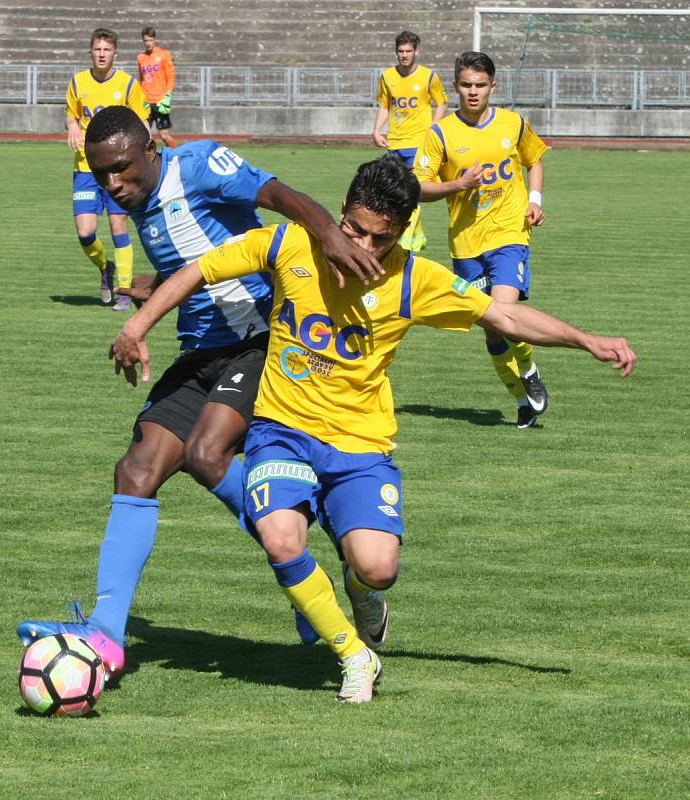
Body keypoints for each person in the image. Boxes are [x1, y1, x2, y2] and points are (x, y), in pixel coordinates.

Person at [107, 155, 635, 703]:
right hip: (281, 429)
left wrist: (588, 341)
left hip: (359, 442)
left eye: (376, 238)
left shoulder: (414, 279)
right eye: (352, 229)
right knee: (280, 537)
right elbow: (201, 269)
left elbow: (505, 317)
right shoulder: (292, 245)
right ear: (340, 211)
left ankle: (360, 593)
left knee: (379, 567)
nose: (358, 246)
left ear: (401, 232)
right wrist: (137, 323)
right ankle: (354, 656)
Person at [17, 106, 386, 677]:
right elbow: (199, 257)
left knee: (206, 452)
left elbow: (279, 195)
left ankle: (302, 559)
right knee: (136, 469)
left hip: (264, 341)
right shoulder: (136, 198)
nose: (113, 184)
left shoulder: (199, 165)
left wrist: (331, 237)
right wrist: (156, 286)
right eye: (100, 174)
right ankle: (107, 637)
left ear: (149, 150)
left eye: (121, 169)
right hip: (201, 352)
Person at [414, 50, 549, 428]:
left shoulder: (512, 123)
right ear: (456, 86)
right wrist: (457, 184)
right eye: (466, 85)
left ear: (494, 86)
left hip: (509, 234)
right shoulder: (440, 134)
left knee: (504, 314)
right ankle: (522, 397)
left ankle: (528, 368)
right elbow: (417, 187)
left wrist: (534, 201)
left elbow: (534, 159)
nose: (473, 92)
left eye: (480, 85)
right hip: (466, 245)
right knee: (491, 326)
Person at [67, 28, 148, 312]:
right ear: (90, 52)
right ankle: (105, 267)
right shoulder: (78, 83)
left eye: (107, 50)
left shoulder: (127, 85)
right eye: (97, 49)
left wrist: (142, 155)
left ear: (115, 53)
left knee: (118, 226)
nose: (102, 54)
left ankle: (124, 291)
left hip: (117, 169)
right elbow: (71, 114)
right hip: (85, 168)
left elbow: (142, 122)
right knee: (86, 233)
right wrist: (73, 125)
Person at [372, 30, 448, 252]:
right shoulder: (387, 77)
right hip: (395, 142)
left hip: (418, 143)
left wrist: (433, 128)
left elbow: (441, 103)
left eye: (408, 51)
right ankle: (416, 234)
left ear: (417, 51)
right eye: (400, 51)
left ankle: (406, 237)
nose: (404, 55)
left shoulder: (428, 76)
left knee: (414, 189)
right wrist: (377, 130)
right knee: (394, 189)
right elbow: (385, 105)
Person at [137, 26, 176, 148]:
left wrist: (168, 95)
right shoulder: (140, 58)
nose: (148, 43)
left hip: (160, 102)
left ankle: (178, 156)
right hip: (146, 103)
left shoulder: (164, 55)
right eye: (146, 41)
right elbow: (141, 79)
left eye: (150, 40)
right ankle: (148, 162)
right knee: (143, 136)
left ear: (154, 39)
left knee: (164, 135)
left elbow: (170, 77)